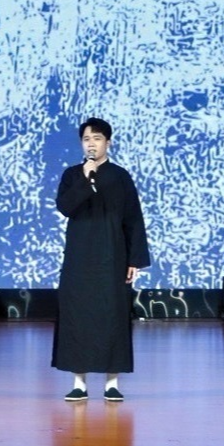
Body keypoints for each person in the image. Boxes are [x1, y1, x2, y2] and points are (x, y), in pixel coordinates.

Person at [52, 118, 150, 401]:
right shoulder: (73, 174)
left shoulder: (120, 176)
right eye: (86, 139)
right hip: (79, 256)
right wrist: (85, 178)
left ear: (108, 142)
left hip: (113, 255)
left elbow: (133, 218)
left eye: (97, 138)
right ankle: (79, 382)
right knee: (77, 315)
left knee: (112, 314)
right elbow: (65, 207)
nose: (91, 144)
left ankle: (112, 383)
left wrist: (134, 259)